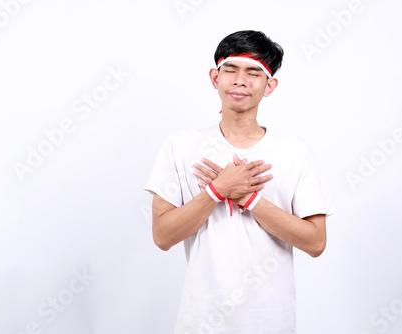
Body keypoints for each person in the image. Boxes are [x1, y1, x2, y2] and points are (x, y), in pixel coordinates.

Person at [144, 30, 336, 334]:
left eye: (253, 72)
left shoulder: (294, 152)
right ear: (214, 77)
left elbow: (315, 242)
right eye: (230, 70)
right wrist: (216, 190)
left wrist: (250, 200)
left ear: (269, 85)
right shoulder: (180, 145)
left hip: (271, 322)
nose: (239, 80)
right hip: (200, 321)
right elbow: (163, 236)